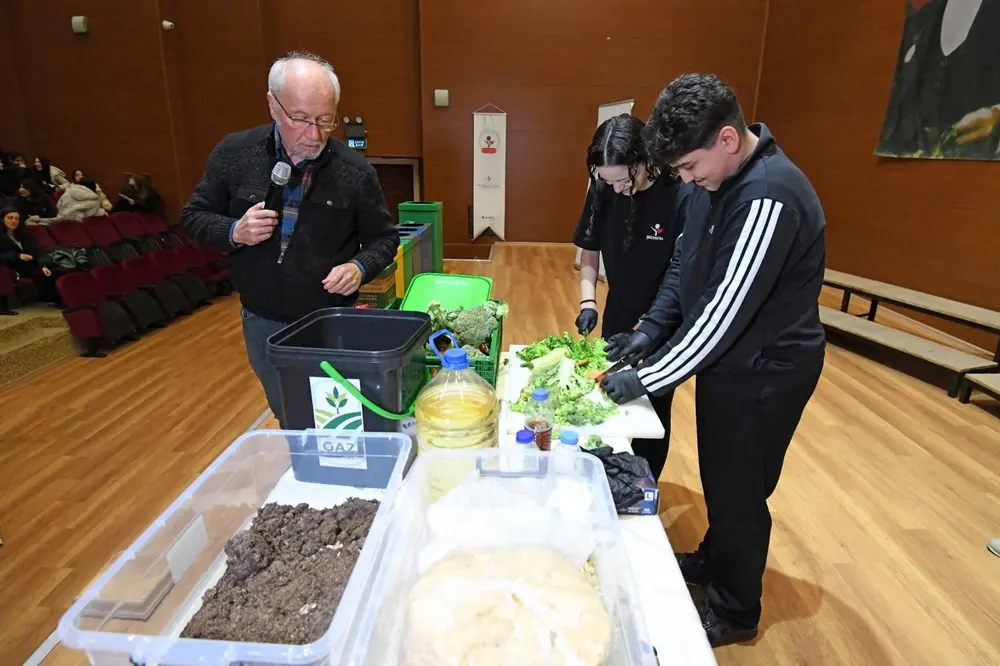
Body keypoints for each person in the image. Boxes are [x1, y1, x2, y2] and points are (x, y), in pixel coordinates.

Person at [600, 73, 826, 647]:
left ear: (727, 139)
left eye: (689, 166)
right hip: (730, 363)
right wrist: (649, 331)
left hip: (767, 369)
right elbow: (685, 267)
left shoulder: (767, 196)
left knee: (739, 489)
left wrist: (646, 378)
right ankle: (712, 558)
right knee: (719, 473)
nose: (685, 179)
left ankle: (734, 610)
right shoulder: (712, 182)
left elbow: (724, 313)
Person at [181, 51, 400, 426]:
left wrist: (359, 266)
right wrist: (234, 231)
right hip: (262, 320)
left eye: (325, 120)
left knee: (339, 420)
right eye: (299, 119)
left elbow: (384, 239)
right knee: (291, 416)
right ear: (273, 105)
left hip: (330, 320)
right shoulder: (235, 153)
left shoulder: (355, 171)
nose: (313, 135)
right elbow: (193, 217)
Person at [573, 113, 688, 479]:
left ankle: (643, 485)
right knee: (607, 400)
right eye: (609, 181)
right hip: (620, 313)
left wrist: (648, 327)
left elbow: (679, 274)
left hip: (663, 322)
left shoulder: (679, 193)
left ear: (645, 158)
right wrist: (588, 301)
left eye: (625, 179)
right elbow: (589, 248)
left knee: (652, 411)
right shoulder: (604, 188)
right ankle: (609, 475)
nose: (618, 189)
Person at [0, 208, 58, 303]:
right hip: (13, 268)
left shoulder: (24, 233)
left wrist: (43, 266)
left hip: (30, 265)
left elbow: (38, 250)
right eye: (10, 218)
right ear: (3, 219)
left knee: (54, 271)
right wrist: (17, 256)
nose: (14, 221)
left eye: (17, 219)